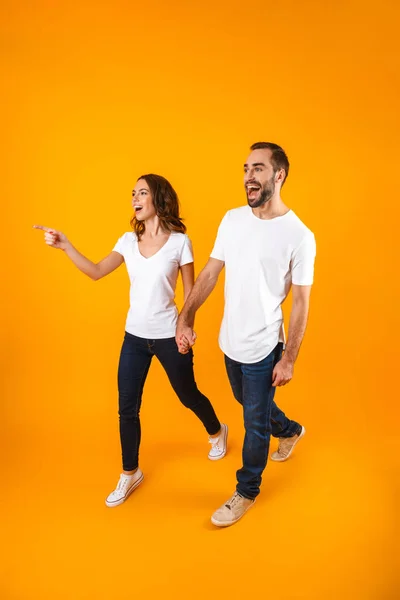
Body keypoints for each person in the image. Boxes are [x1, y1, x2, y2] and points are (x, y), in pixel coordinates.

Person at [34, 173, 228, 508]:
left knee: (188, 394)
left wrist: (186, 328)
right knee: (127, 408)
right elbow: (96, 271)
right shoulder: (127, 241)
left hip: (169, 335)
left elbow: (191, 293)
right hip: (134, 338)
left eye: (142, 193)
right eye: (133, 194)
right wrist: (66, 246)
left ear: (158, 199)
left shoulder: (180, 242)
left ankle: (216, 431)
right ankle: (130, 473)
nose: (135, 199)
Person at [176, 143, 316, 527]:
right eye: (245, 169)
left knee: (253, 422)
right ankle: (289, 431)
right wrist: (185, 317)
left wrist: (288, 358)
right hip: (229, 340)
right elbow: (209, 273)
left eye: (258, 169)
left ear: (278, 175)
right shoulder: (233, 219)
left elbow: (301, 303)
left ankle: (246, 490)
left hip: (264, 346)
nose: (248, 177)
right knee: (246, 402)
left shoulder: (299, 235)